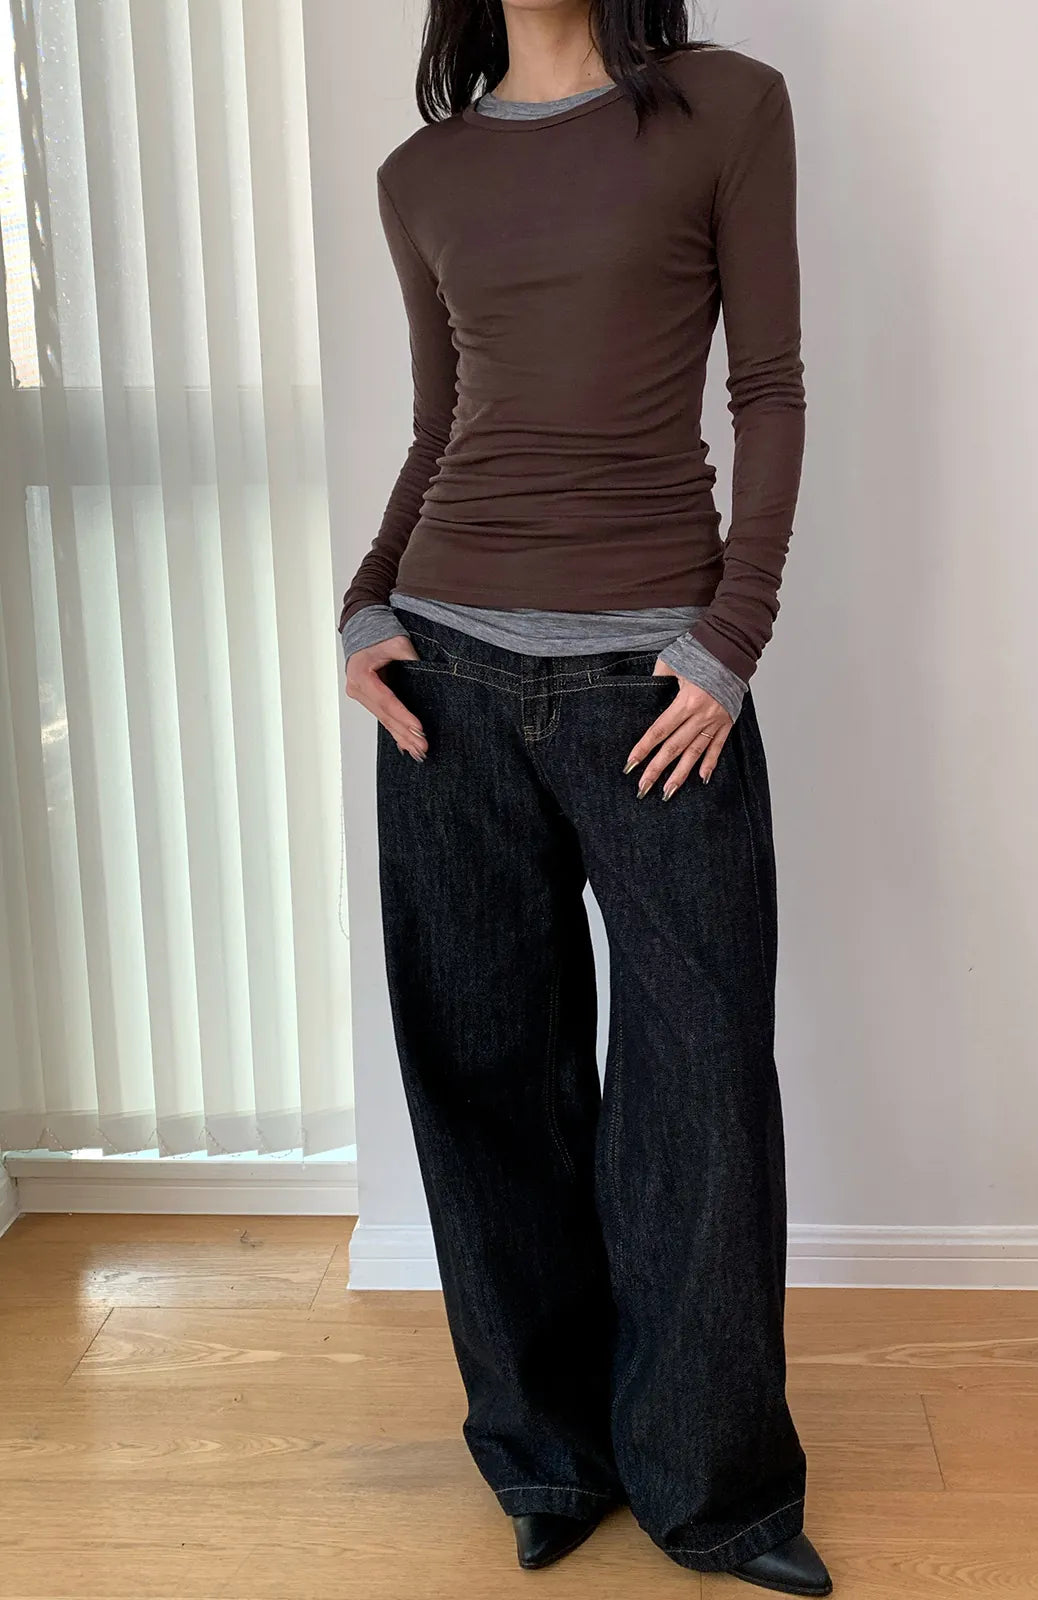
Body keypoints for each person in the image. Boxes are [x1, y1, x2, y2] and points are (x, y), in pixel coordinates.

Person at [338, 2, 832, 1593]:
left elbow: (769, 387)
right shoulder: (421, 174)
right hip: (445, 679)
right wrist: (363, 604)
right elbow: (442, 428)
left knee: (699, 1090)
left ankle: (716, 1489)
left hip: (655, 687)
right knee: (486, 1078)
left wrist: (732, 636)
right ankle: (546, 1455)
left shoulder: (723, 109)